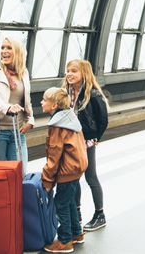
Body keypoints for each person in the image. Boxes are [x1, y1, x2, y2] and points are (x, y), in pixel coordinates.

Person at [61, 59, 109, 232]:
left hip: (86, 142)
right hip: (70, 142)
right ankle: (77, 213)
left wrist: (95, 138)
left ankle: (100, 214)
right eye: (68, 70)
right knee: (73, 178)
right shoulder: (66, 93)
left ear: (84, 74)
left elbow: (103, 120)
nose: (69, 74)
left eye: (74, 71)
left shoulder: (93, 94)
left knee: (90, 176)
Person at [41, 87, 88, 254]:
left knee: (60, 203)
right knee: (69, 201)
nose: (41, 102)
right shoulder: (70, 119)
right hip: (77, 166)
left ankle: (64, 241)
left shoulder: (57, 125)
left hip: (67, 169)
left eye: (44, 100)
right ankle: (77, 233)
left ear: (53, 105)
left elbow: (54, 156)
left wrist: (46, 179)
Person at [0, 37, 34, 171]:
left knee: (20, 173)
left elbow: (26, 99)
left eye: (9, 48)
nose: (4, 51)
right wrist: (7, 108)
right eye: (2, 47)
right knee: (0, 175)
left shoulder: (23, 72)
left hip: (18, 130)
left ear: (18, 51)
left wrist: (31, 120)